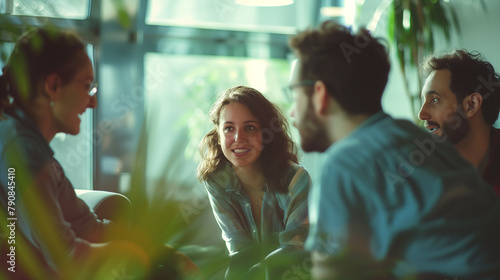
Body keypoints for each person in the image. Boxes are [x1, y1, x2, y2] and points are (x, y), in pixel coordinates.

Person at [287, 20, 500, 279]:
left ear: (320, 94)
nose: (291, 111)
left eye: (294, 92)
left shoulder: (346, 163)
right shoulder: (424, 145)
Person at [0, 28, 196, 280]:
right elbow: (67, 257)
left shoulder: (27, 144)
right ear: (54, 85)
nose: (93, 102)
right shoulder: (22, 153)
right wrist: (137, 253)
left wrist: (159, 249)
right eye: (86, 86)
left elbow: (86, 227)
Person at [197, 86, 311, 279]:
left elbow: (294, 249)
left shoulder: (296, 179)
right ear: (218, 134)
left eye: (249, 127)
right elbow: (238, 248)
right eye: (229, 128)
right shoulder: (216, 181)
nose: (238, 138)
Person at [418, 50, 500, 195]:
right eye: (423, 101)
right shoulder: (427, 173)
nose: (421, 114)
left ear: (471, 105)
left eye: (435, 100)